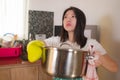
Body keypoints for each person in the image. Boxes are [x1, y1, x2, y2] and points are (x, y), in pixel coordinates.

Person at [43, 6, 118, 80]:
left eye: (73, 16)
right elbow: (39, 44)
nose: (68, 20)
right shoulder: (55, 41)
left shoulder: (91, 44)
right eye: (65, 17)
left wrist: (99, 58)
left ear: (80, 21)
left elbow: (114, 68)